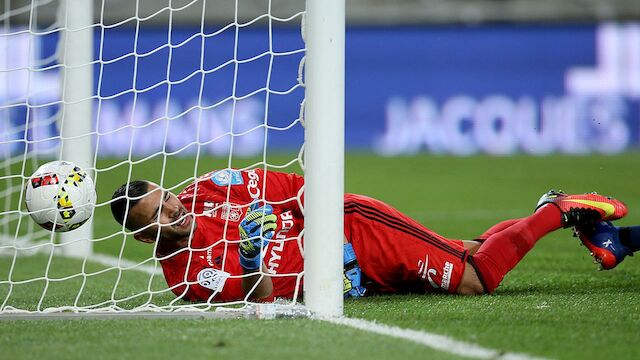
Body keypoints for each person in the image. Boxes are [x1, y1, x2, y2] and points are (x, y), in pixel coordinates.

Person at [110, 168, 634, 303]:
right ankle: (614, 236)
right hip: (351, 283)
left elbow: (300, 185)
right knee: (470, 252)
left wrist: (322, 232)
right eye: (157, 215)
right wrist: (251, 259)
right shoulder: (185, 279)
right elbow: (260, 294)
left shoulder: (210, 190)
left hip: (356, 233)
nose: (173, 209)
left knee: (475, 280)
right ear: (141, 236)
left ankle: (556, 211)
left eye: (167, 197)